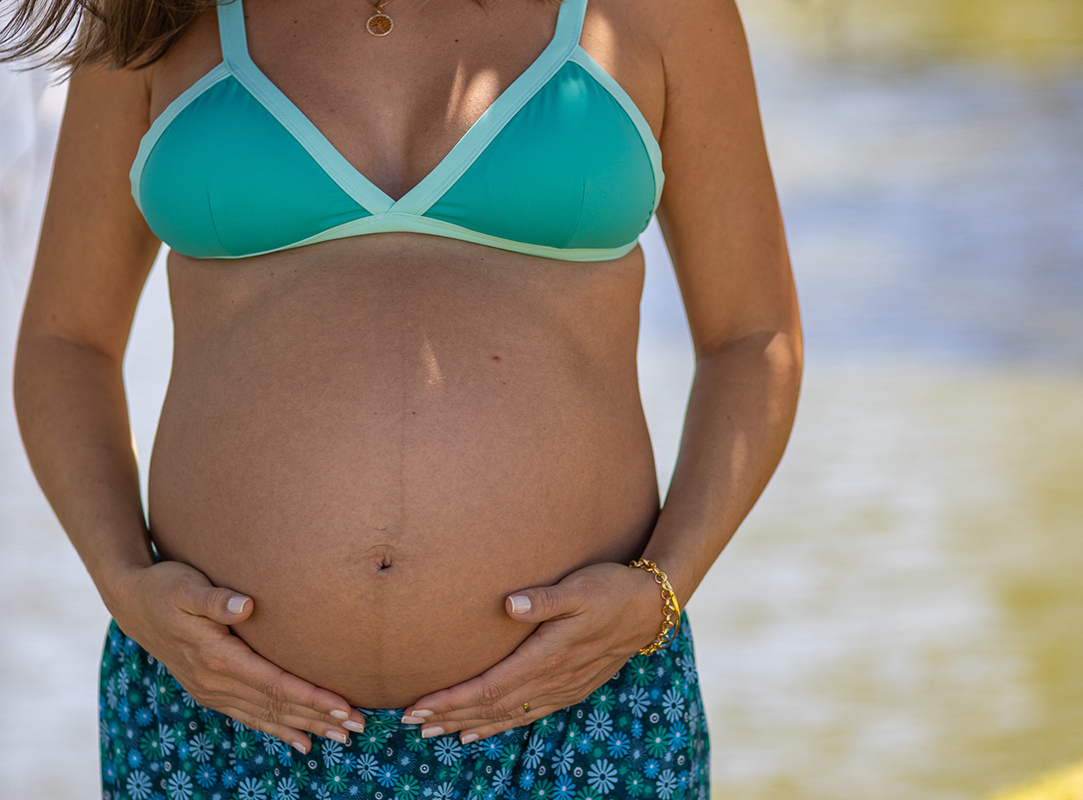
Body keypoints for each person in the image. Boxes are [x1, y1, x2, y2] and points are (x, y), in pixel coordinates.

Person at [7, 0, 801, 792]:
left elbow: (752, 337)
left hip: (579, 713)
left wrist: (659, 592)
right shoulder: (153, 14)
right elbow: (66, 343)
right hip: (216, 712)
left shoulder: (659, 13)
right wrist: (126, 587)